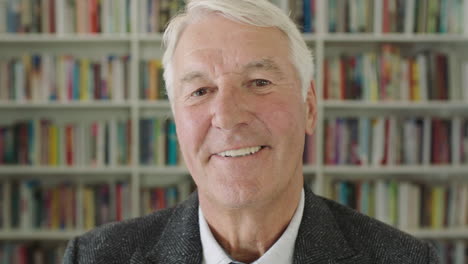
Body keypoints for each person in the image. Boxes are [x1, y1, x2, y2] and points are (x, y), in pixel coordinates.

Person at [63, 0, 439, 263]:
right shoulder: (94, 257)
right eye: (200, 91)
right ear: (176, 122)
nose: (227, 117)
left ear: (309, 107)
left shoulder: (405, 258)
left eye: (259, 82)